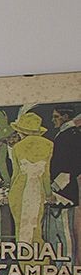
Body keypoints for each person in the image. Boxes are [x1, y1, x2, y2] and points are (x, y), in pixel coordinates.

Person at [7, 110, 55, 254]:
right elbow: (46, 173)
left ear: (22, 131)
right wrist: (49, 193)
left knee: (21, 229)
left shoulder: (17, 147)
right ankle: (39, 265)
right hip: (38, 190)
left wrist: (9, 193)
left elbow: (15, 175)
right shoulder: (48, 145)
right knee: (35, 227)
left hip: (19, 191)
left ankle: (26, 264)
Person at [52, 107, 81, 262]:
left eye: (55, 117)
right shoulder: (65, 134)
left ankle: (68, 267)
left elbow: (73, 166)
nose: (53, 120)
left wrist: (55, 186)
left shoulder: (70, 135)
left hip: (65, 190)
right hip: (63, 188)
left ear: (64, 116)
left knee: (66, 232)